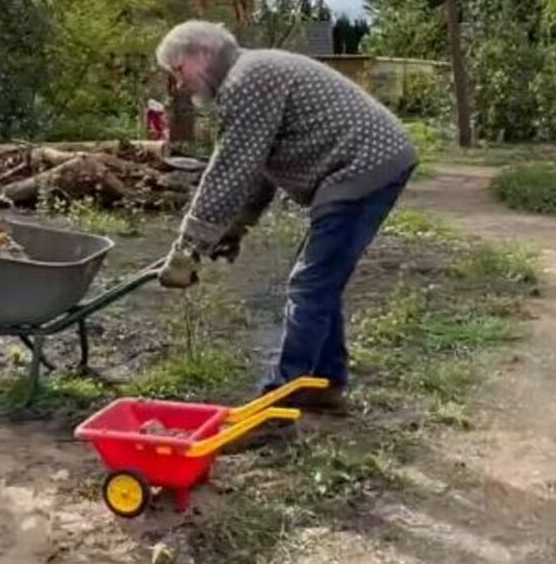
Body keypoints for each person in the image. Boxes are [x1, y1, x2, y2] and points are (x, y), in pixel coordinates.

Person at [155, 21, 416, 415]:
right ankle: (324, 384)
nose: (179, 84)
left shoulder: (247, 79)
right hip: (361, 166)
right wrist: (234, 228)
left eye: (178, 70)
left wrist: (188, 247)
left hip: (362, 167)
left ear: (203, 53)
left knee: (310, 285)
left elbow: (229, 170)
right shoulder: (250, 75)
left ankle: (279, 400)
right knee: (318, 281)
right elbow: (256, 172)